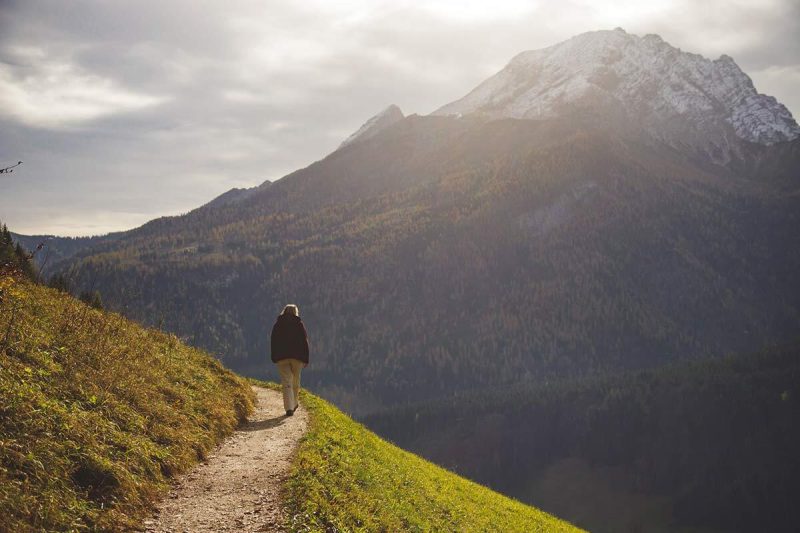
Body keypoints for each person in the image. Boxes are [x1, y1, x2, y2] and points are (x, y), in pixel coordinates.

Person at [270, 304, 309, 416]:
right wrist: (306, 359)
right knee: (295, 381)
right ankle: (295, 403)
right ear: (295, 312)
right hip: (297, 358)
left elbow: (273, 341)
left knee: (286, 382)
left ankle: (289, 408)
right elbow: (304, 341)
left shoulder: (278, 324)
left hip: (281, 357)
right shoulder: (299, 324)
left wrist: (274, 356)